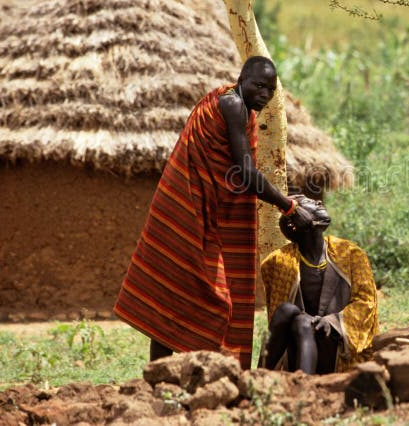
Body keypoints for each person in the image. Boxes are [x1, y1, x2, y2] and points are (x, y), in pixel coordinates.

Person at [114, 56, 313, 368]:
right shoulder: (232, 105)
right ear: (241, 80)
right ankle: (162, 378)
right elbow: (245, 174)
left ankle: (175, 376)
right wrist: (288, 206)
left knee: (180, 290)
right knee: (192, 292)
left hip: (208, 210)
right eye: (258, 85)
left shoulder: (242, 110)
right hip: (190, 207)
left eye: (271, 89)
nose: (264, 93)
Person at [260, 195, 378, 374]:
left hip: (336, 344)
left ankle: (297, 383)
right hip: (298, 344)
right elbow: (277, 325)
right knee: (294, 316)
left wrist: (331, 322)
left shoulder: (350, 254)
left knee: (303, 321)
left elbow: (366, 303)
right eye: (311, 204)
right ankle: (269, 376)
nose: (319, 203)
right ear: (296, 222)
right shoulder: (279, 262)